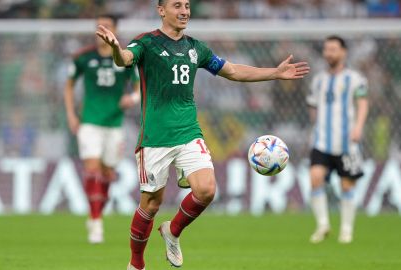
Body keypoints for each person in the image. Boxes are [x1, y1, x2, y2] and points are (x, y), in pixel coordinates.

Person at [96, 0, 310, 269]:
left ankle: (172, 232)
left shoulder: (196, 48)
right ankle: (136, 263)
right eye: (177, 5)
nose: (184, 11)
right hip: (155, 137)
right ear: (161, 10)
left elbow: (232, 71)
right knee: (150, 205)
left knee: (207, 190)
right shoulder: (147, 42)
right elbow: (124, 59)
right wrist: (116, 48)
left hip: (188, 132)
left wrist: (275, 73)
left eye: (187, 5)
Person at [64, 14, 140, 244]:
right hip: (89, 122)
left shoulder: (125, 58)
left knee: (107, 174)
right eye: (100, 26)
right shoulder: (83, 58)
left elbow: (139, 86)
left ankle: (96, 211)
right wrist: (71, 114)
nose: (103, 30)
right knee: (93, 169)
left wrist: (133, 99)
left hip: (114, 125)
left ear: (114, 31)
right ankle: (96, 221)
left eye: (107, 26)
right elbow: (68, 86)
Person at [306, 35, 369, 244]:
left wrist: (358, 127)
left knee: (347, 186)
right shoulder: (318, 80)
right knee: (315, 178)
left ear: (343, 52)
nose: (329, 53)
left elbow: (362, 103)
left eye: (333, 49)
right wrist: (313, 128)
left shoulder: (356, 79)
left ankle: (346, 230)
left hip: (347, 142)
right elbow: (313, 108)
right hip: (322, 141)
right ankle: (323, 225)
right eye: (326, 49)